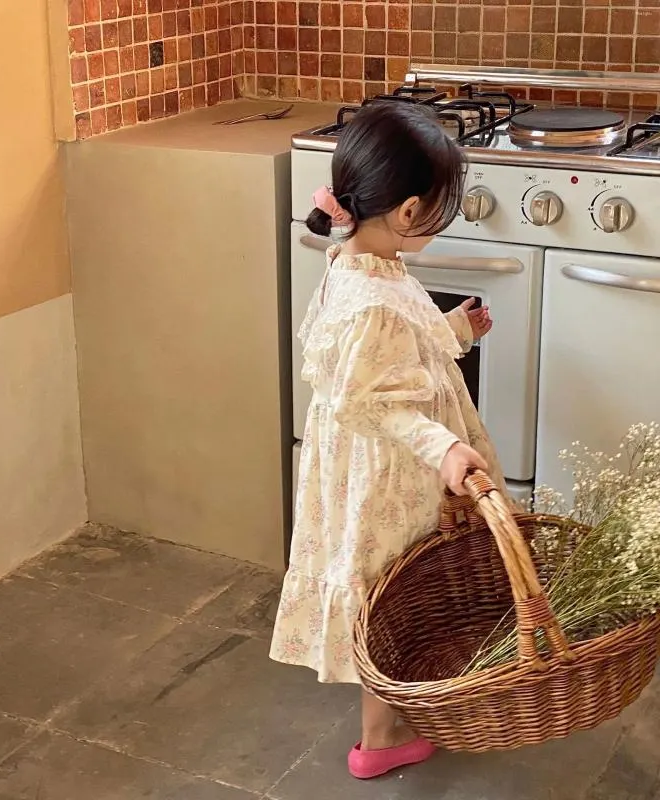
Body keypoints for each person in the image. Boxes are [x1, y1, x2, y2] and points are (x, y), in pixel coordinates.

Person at [269, 101, 506, 780]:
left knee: (392, 595)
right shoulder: (372, 295)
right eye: (437, 208)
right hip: (389, 479)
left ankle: (395, 719)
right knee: (392, 601)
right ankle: (379, 742)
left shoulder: (361, 264)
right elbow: (373, 399)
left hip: (369, 466)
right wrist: (445, 450)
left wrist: (452, 335)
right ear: (407, 213)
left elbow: (381, 362)